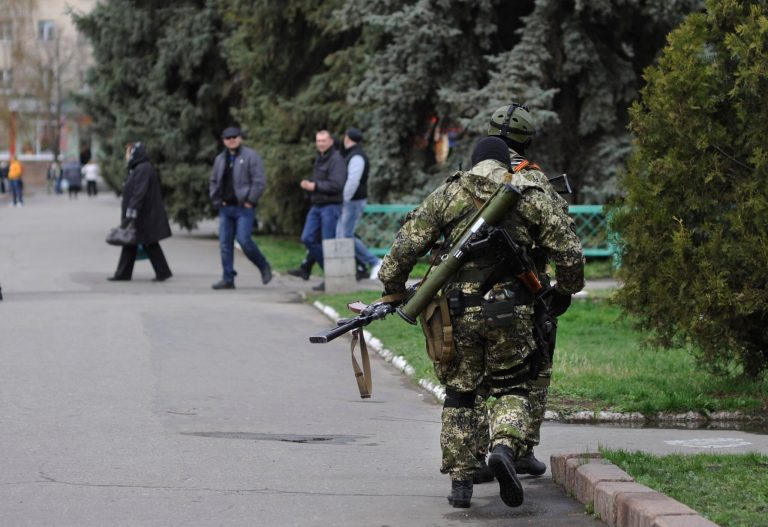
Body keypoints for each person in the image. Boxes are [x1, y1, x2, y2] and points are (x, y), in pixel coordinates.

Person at [377, 136, 584, 509]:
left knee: (461, 392)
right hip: (513, 311)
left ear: (472, 162)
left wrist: (393, 288)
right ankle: (503, 447)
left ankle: (461, 482)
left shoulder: (449, 192)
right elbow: (568, 250)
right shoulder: (526, 193)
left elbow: (404, 247)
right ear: (507, 162)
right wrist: (565, 290)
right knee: (513, 386)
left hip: (457, 313)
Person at [209, 126, 272, 289]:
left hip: (244, 208)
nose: (232, 140)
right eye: (228, 138)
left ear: (240, 138)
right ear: (224, 141)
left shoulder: (251, 156)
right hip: (225, 207)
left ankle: (263, 266)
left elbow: (259, 181)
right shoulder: (220, 159)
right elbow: (213, 181)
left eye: (235, 137)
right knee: (225, 244)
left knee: (244, 240)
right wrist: (216, 199)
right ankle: (228, 278)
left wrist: (250, 200)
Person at [288, 130, 346, 291]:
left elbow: (337, 185)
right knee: (307, 238)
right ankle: (330, 273)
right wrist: (310, 183)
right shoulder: (320, 158)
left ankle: (331, 278)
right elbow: (322, 180)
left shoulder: (336, 159)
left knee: (327, 243)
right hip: (317, 205)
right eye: (318, 141)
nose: (320, 143)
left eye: (323, 141)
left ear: (331, 142)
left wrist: (315, 186)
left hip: (330, 206)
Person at [108, 142, 173, 282]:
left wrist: (132, 211)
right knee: (132, 242)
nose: (126, 156)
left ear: (135, 154)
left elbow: (139, 191)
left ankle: (162, 272)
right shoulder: (138, 168)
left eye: (128, 153)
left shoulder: (143, 169)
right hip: (142, 214)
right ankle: (124, 273)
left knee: (146, 242)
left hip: (142, 215)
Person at [335, 127, 382, 280]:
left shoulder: (357, 156)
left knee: (346, 236)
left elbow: (353, 181)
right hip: (351, 201)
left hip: (352, 201)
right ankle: (357, 267)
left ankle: (375, 262)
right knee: (343, 235)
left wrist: (344, 199)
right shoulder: (353, 155)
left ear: (347, 138)